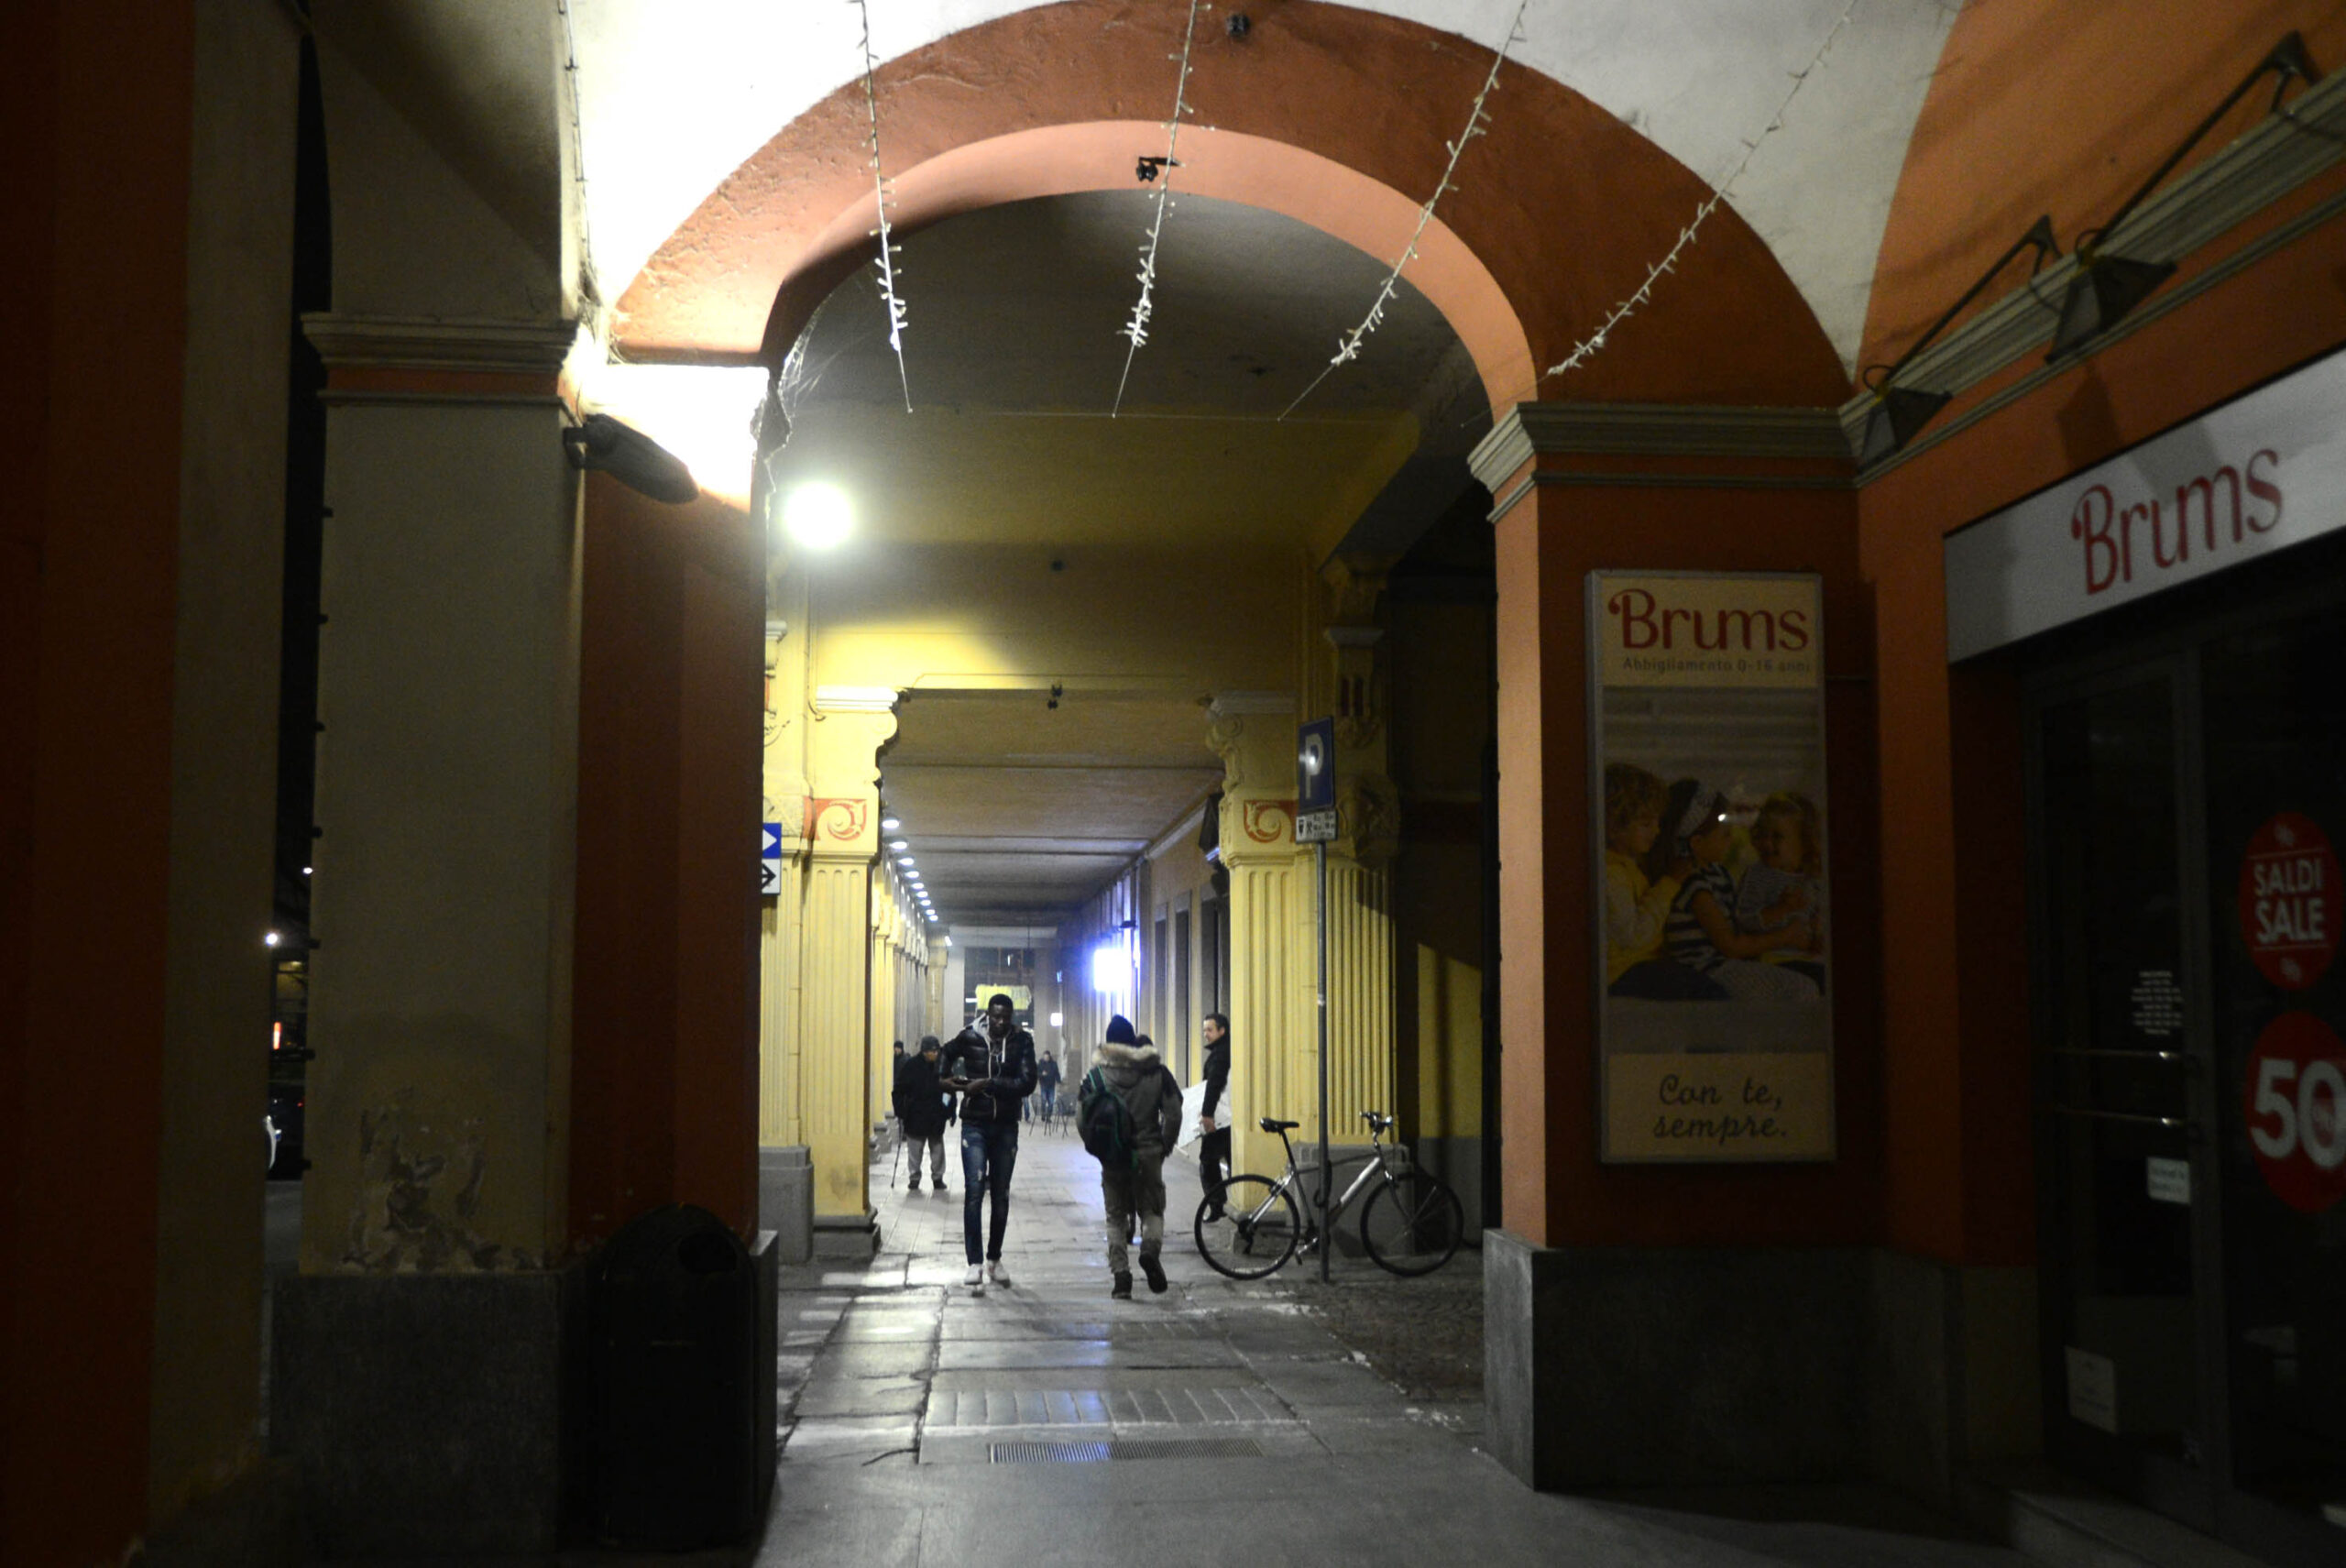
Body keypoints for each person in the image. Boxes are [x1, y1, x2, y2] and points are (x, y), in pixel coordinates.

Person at [1655, 779, 1815, 1002]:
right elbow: (1731, 945)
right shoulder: (1694, 884)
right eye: (1725, 835)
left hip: (1725, 962)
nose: (1731, 841)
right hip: (1707, 969)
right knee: (1800, 989)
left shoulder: (1718, 873)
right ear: (1697, 842)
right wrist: (1786, 936)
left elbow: (1740, 922)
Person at [1604, 762, 1726, 1001]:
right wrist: (1670, 882)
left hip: (1641, 966)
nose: (1657, 831)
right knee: (1707, 995)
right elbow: (1634, 935)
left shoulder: (1629, 868)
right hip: (1624, 972)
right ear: (1614, 827)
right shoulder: (1612, 875)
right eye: (1646, 824)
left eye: (1657, 822)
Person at [941, 993, 1036, 1294]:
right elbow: (945, 1052)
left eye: (1006, 1017)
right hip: (974, 1123)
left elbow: (1028, 1082)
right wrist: (948, 1080)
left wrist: (993, 1085)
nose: (1000, 1022)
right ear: (987, 1015)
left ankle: (994, 1258)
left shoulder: (1022, 1041)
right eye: (996, 1017)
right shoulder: (970, 1036)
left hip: (1006, 1125)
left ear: (1011, 1017)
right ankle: (975, 1263)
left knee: (1001, 1194)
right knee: (974, 1189)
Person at [1091, 1015, 1183, 1299]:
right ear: (1133, 1040)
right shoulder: (1157, 1072)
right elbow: (1175, 1112)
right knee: (1152, 1210)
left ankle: (1121, 1278)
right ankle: (1150, 1252)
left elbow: (1085, 1118)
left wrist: (1099, 1147)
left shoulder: (1098, 1075)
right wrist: (1165, 1144)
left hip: (1114, 1158)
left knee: (1115, 1217)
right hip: (1148, 1153)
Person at [1736, 791, 1827, 994]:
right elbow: (1743, 920)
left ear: (1804, 842)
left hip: (1810, 959)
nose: (1768, 844)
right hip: (1773, 961)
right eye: (1764, 835)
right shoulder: (1758, 874)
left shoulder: (1814, 879)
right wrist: (1780, 910)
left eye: (1777, 837)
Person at [890, 1035, 952, 1192]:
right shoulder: (911, 1066)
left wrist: (948, 1110)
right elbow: (898, 1091)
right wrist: (902, 1111)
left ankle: (938, 1177)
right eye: (933, 1051)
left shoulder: (942, 1065)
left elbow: (949, 1090)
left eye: (937, 1050)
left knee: (937, 1150)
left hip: (936, 1115)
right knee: (915, 1150)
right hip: (916, 1115)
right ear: (924, 1052)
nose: (936, 1054)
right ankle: (914, 1177)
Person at [1197, 1012, 1231, 1222]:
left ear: (1221, 1031)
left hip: (1220, 1117)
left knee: (1208, 1161)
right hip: (1227, 1117)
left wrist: (1207, 1113)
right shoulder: (1225, 1050)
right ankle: (1223, 1203)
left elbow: (1214, 1084)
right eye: (1204, 1030)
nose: (1205, 1034)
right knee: (1229, 1159)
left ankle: (1217, 1204)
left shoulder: (1220, 1055)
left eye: (1209, 1029)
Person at [1036, 1050, 1061, 1123]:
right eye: (1045, 1057)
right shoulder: (1040, 1064)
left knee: (1051, 1102)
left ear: (1049, 1057)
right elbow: (1037, 1074)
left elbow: (1057, 1073)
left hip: (1051, 1086)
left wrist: (1059, 1081)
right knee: (1043, 1101)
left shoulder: (1054, 1064)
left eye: (1047, 1057)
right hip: (1043, 1085)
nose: (1046, 1058)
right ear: (1043, 1057)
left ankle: (1048, 1116)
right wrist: (1041, 1074)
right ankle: (1043, 1114)